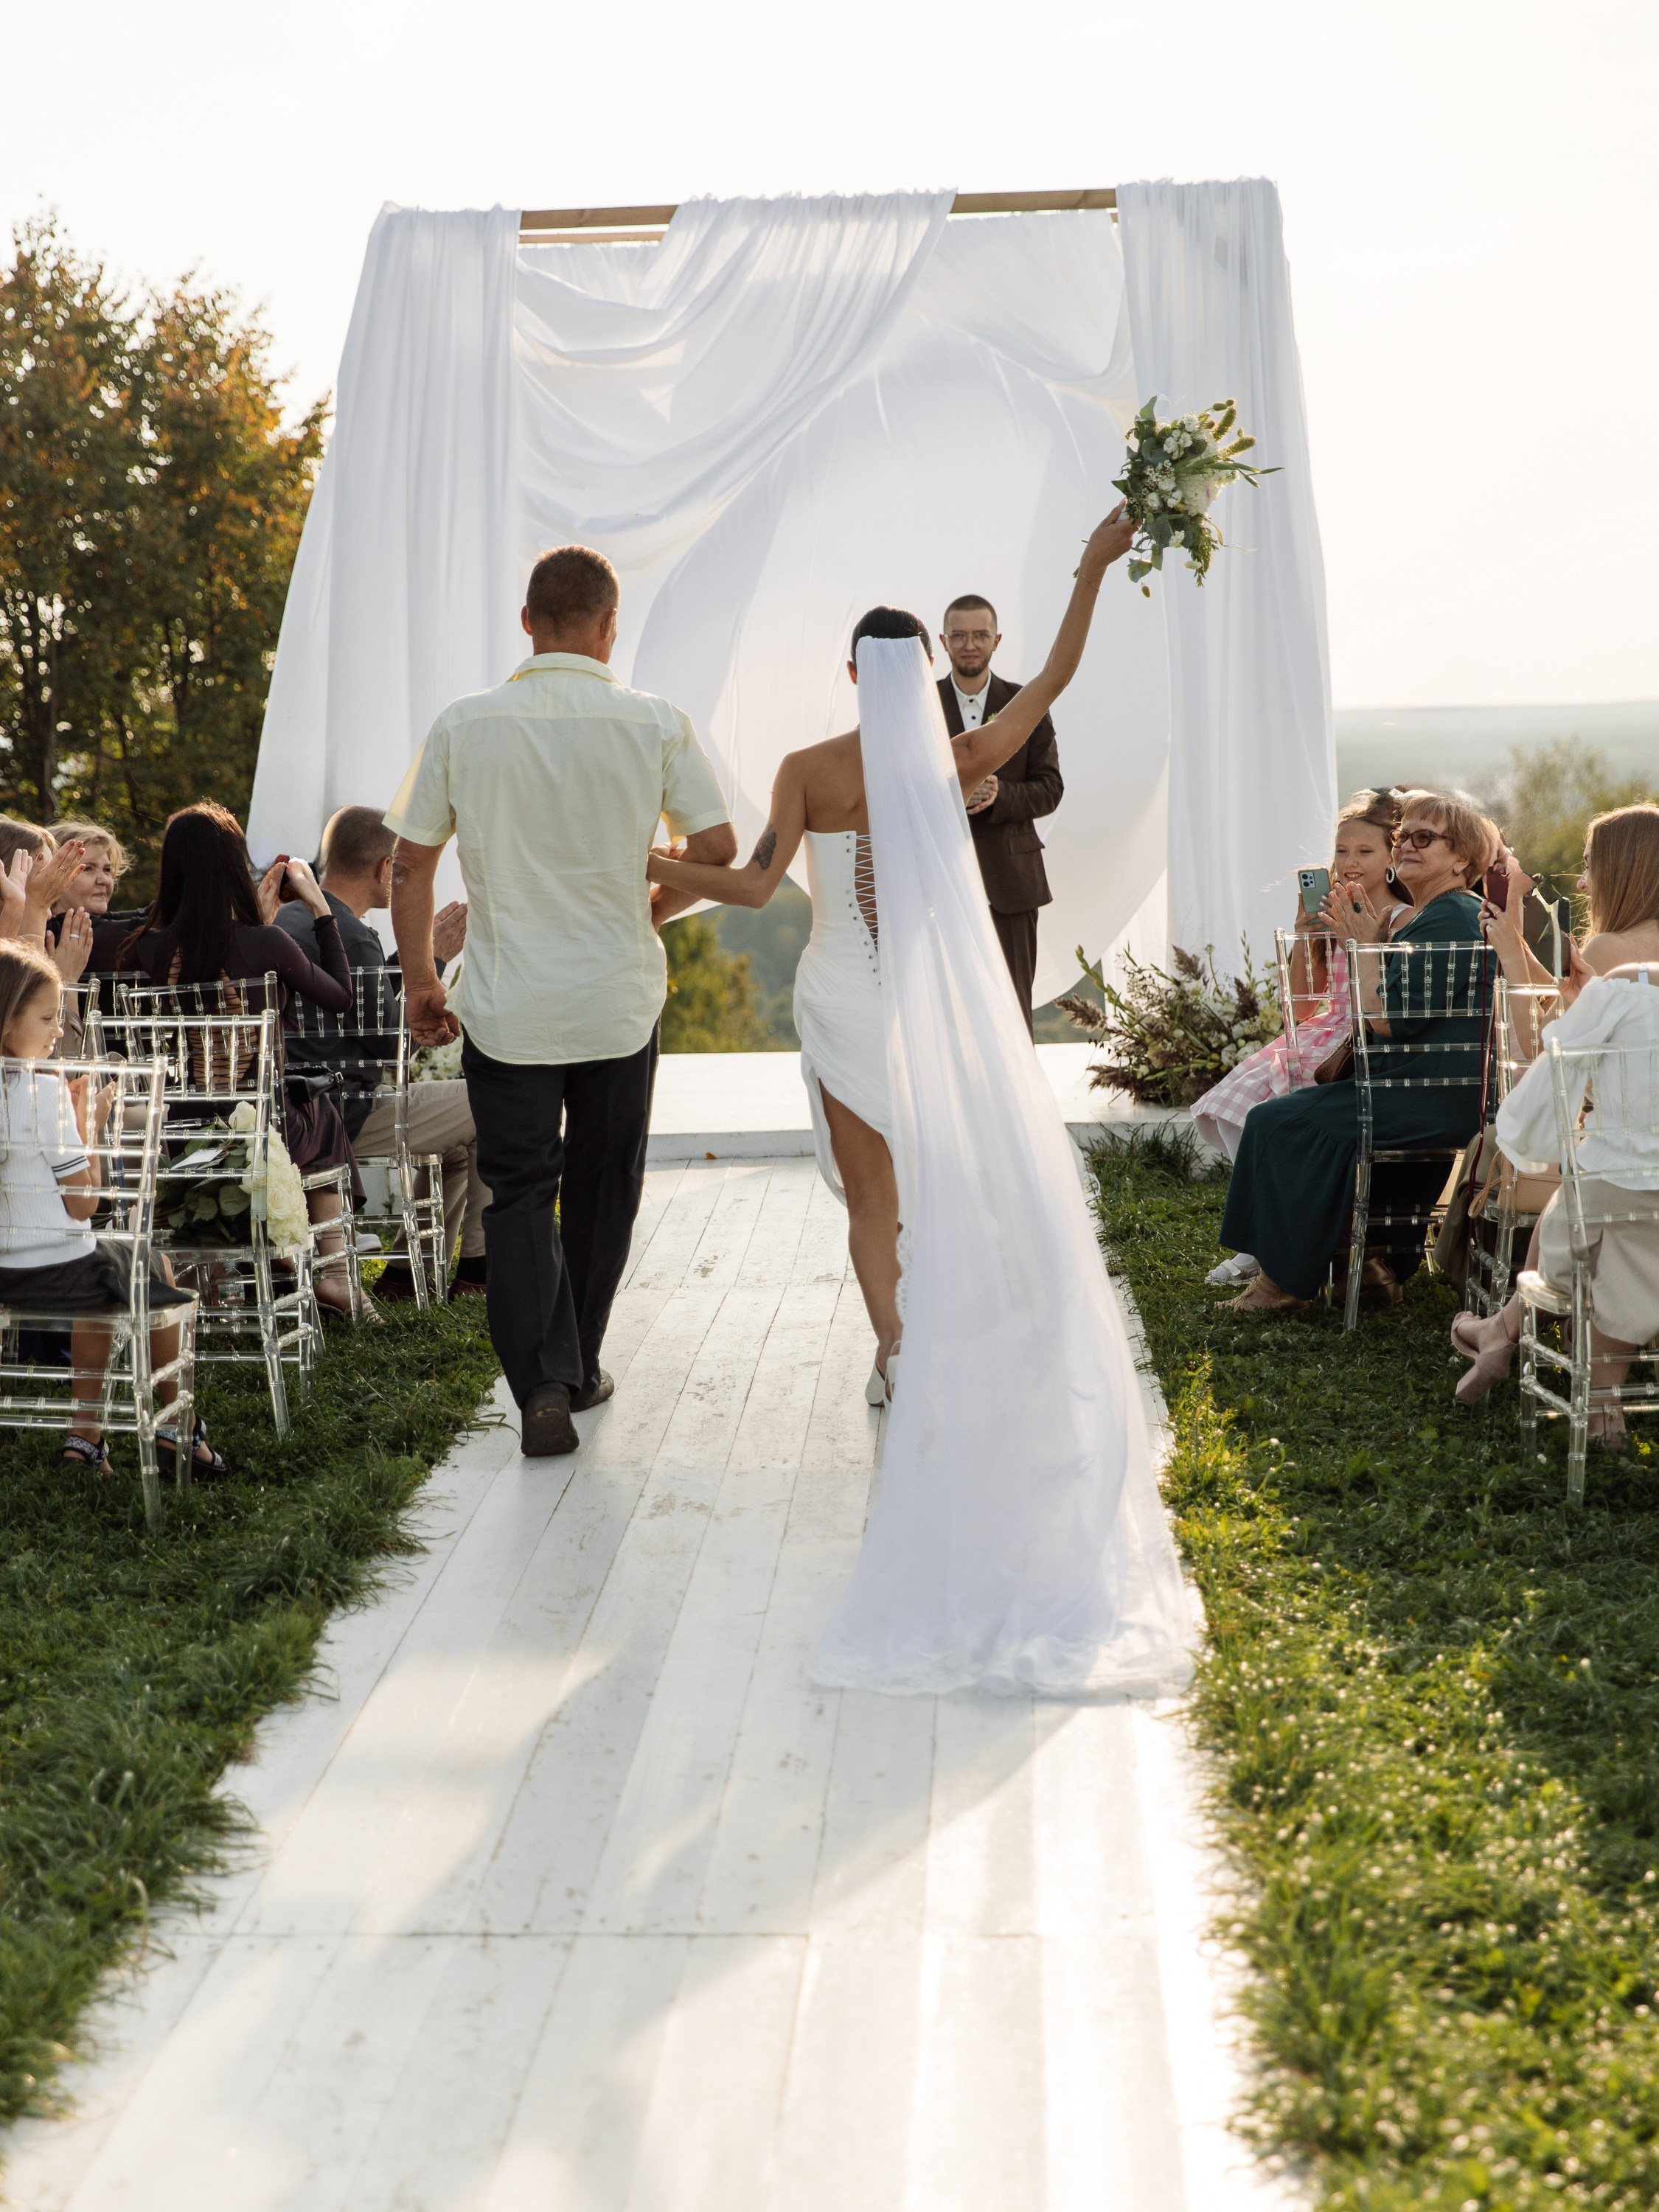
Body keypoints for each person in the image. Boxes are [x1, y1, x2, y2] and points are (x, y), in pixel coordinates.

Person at [644, 510, 1135, 1407]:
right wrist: (1092, 567)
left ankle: (898, 1347)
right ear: (926, 671)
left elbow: (752, 889)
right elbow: (1057, 675)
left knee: (874, 1199)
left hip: (837, 993)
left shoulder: (804, 769)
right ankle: (950, 1334)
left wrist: (643, 861)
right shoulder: (957, 756)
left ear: (852, 675)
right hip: (925, 1000)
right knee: (946, 1177)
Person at [387, 543, 736, 1455]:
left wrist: (424, 978)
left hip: (508, 1007)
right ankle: (578, 1367)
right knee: (602, 1185)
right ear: (610, 627)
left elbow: (411, 863)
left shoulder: (465, 723)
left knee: (517, 1194)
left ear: (527, 621)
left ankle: (540, 1382)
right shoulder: (654, 721)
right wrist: (651, 905)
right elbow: (720, 849)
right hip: (618, 999)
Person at [1218, 793, 1496, 1314]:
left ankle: (1281, 1285)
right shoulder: (1443, 914)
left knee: (1277, 1123)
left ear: (1462, 858)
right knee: (1284, 1117)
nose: (1406, 847)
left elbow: (1387, 1020)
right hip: (1419, 1085)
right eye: (1402, 838)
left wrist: (1365, 946)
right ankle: (1341, 1265)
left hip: (1424, 1095)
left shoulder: (1449, 917)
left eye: (1424, 838)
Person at [123, 802, 369, 1320]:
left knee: (293, 1113)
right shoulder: (266, 945)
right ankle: (337, 1276)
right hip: (258, 1131)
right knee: (320, 1114)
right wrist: (321, 910)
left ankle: (215, 1282)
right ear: (235, 867)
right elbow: (341, 997)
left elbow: (209, 954)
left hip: (176, 1132)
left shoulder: (144, 950)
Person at [0, 941, 223, 1477]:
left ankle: (89, 1438)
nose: (59, 1030)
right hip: (55, 1271)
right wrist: (89, 1128)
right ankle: (174, 1428)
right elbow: (83, 1205)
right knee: (145, 1263)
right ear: (8, 1021)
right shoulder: (45, 1092)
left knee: (119, 1265)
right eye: (49, 1017)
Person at [1196, 787, 1411, 1287]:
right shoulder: (1333, 911)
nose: (1350, 862)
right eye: (1341, 851)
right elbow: (1304, 1001)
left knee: (1267, 1116)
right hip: (1319, 1028)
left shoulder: (1398, 919)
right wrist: (1305, 936)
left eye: (1365, 852)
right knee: (1228, 1111)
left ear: (1390, 859)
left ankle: (1266, 1244)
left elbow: (1377, 1003)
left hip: (1354, 1036)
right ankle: (1265, 1235)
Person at [274, 804, 487, 1296]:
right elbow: (393, 1043)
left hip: (299, 1104)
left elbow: (352, 1001)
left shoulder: (291, 916)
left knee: (455, 1151)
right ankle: (480, 1271)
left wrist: (410, 965)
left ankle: (408, 1278)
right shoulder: (350, 932)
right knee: (493, 1102)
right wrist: (432, 957)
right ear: (386, 868)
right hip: (344, 1111)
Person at [934, 593, 1062, 1032]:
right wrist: (951, 794)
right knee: (945, 1010)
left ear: (997, 640)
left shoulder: (1025, 702)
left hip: (1013, 883)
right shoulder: (919, 708)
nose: (970, 644)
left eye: (980, 635)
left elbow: (1051, 789)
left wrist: (1000, 794)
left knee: (1013, 1008)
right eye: (960, 635)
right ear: (943, 641)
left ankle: (1017, 1103)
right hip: (937, 883)